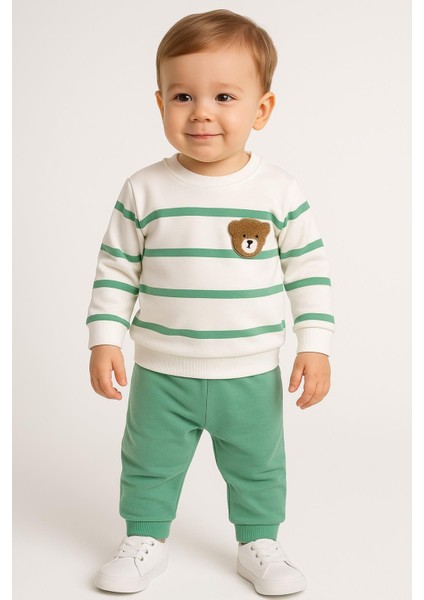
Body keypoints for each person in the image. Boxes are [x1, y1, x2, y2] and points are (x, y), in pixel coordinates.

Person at [86, 8, 335, 596]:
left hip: (248, 371)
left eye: (224, 96)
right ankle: (144, 538)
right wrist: (104, 338)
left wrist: (316, 345)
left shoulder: (278, 191)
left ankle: (259, 542)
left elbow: (307, 271)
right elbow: (116, 269)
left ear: (261, 110)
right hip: (160, 369)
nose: (201, 112)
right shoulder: (143, 189)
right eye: (182, 96)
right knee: (148, 461)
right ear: (160, 104)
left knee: (257, 464)